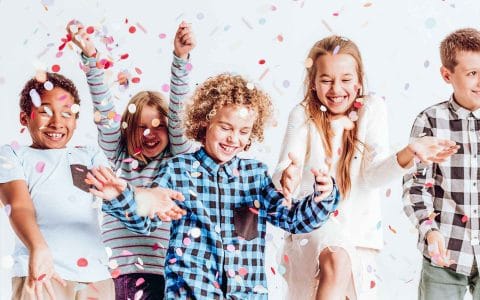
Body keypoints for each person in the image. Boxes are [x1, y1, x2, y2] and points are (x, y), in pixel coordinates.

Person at [87, 73, 340, 299]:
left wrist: (323, 195)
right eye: (225, 127)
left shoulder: (256, 176)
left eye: (244, 131)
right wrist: (119, 196)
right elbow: (147, 219)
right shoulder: (178, 170)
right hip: (192, 292)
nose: (233, 138)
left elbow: (294, 220)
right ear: (205, 121)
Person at [273, 36, 458, 300]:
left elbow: (372, 174)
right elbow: (283, 166)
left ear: (359, 81)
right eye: (326, 80)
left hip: (359, 236)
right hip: (314, 229)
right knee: (336, 258)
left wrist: (409, 152)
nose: (336, 88)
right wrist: (286, 176)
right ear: (313, 83)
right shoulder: (303, 114)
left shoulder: (372, 109)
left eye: (346, 79)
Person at [67, 20, 196, 299]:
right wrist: (90, 58)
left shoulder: (176, 161)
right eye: (141, 127)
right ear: (128, 130)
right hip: (121, 273)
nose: (150, 133)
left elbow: (179, 113)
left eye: (158, 125)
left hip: (167, 273)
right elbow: (104, 109)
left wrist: (181, 58)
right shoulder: (118, 153)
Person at [0, 71, 115, 299]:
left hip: (95, 276)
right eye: (45, 112)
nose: (57, 123)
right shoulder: (13, 154)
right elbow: (19, 206)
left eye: (67, 114)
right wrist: (38, 248)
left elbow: (114, 194)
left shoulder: (89, 155)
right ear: (25, 118)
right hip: (40, 272)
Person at [403, 28, 480, 300]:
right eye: (472, 73)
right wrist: (429, 230)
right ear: (447, 75)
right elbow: (415, 186)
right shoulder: (430, 121)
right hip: (445, 251)